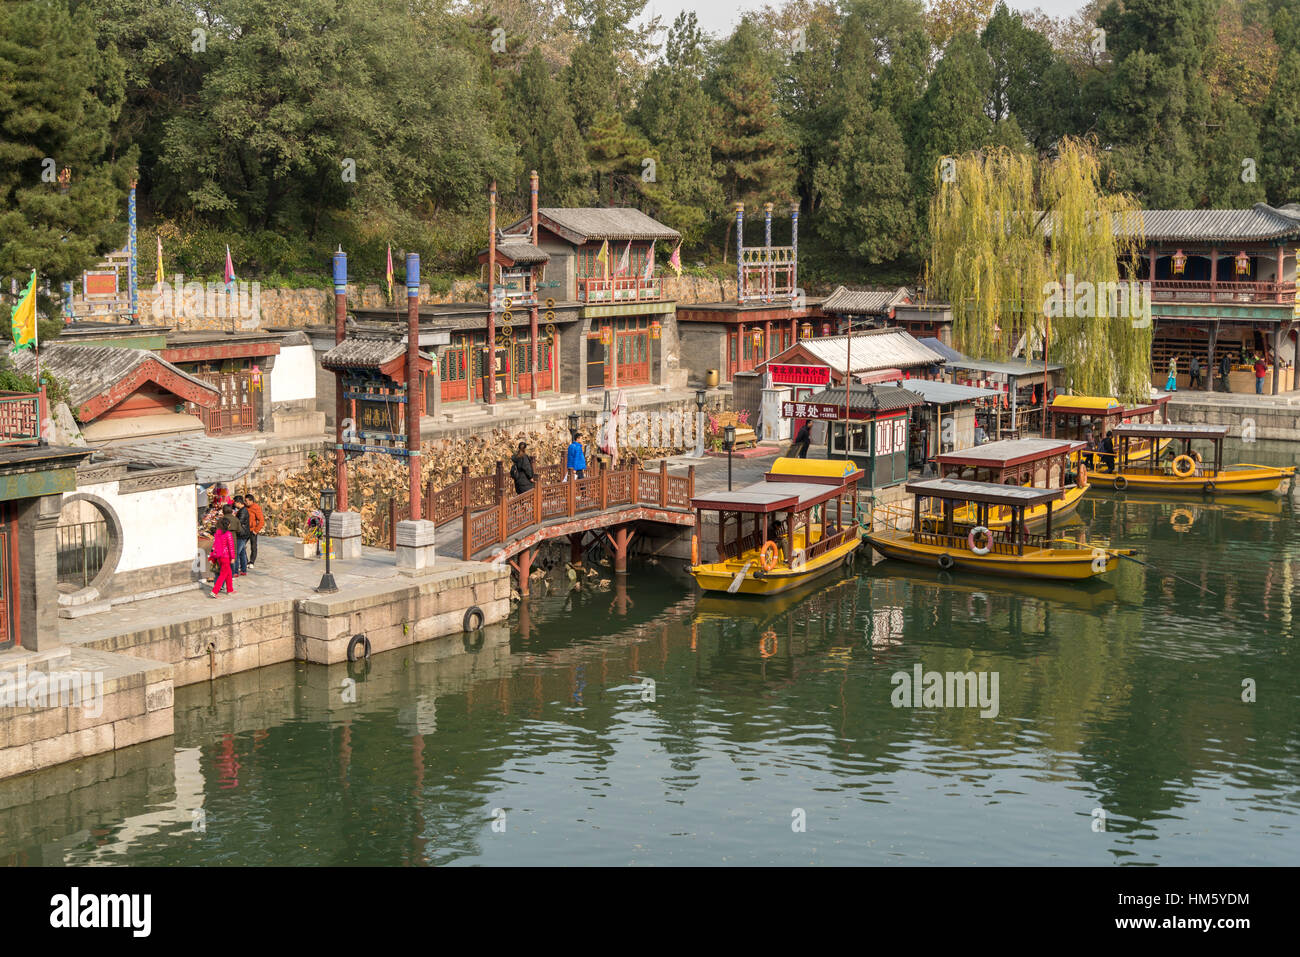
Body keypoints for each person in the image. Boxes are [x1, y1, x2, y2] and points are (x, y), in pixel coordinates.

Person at [209, 509, 237, 598]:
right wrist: (233, 557)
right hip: (226, 557)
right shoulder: (228, 534)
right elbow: (231, 547)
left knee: (228, 572)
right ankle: (214, 591)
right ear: (228, 525)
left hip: (219, 556)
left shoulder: (218, 533)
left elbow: (215, 545)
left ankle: (230, 589)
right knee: (223, 574)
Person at [232, 495, 252, 576]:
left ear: (239, 503)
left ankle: (235, 572)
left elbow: (239, 522)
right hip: (243, 534)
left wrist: (233, 518)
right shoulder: (242, 510)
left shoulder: (243, 511)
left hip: (241, 534)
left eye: (235, 503)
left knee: (236, 553)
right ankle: (243, 570)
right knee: (242, 553)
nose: (234, 505)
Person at [245, 493, 264, 566]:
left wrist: (256, 530)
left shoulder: (256, 507)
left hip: (253, 530)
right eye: (245, 501)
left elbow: (261, 521)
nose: (246, 502)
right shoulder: (245, 507)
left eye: (247, 501)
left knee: (253, 547)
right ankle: (245, 561)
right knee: (242, 546)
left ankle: (252, 561)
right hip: (245, 530)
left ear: (251, 501)